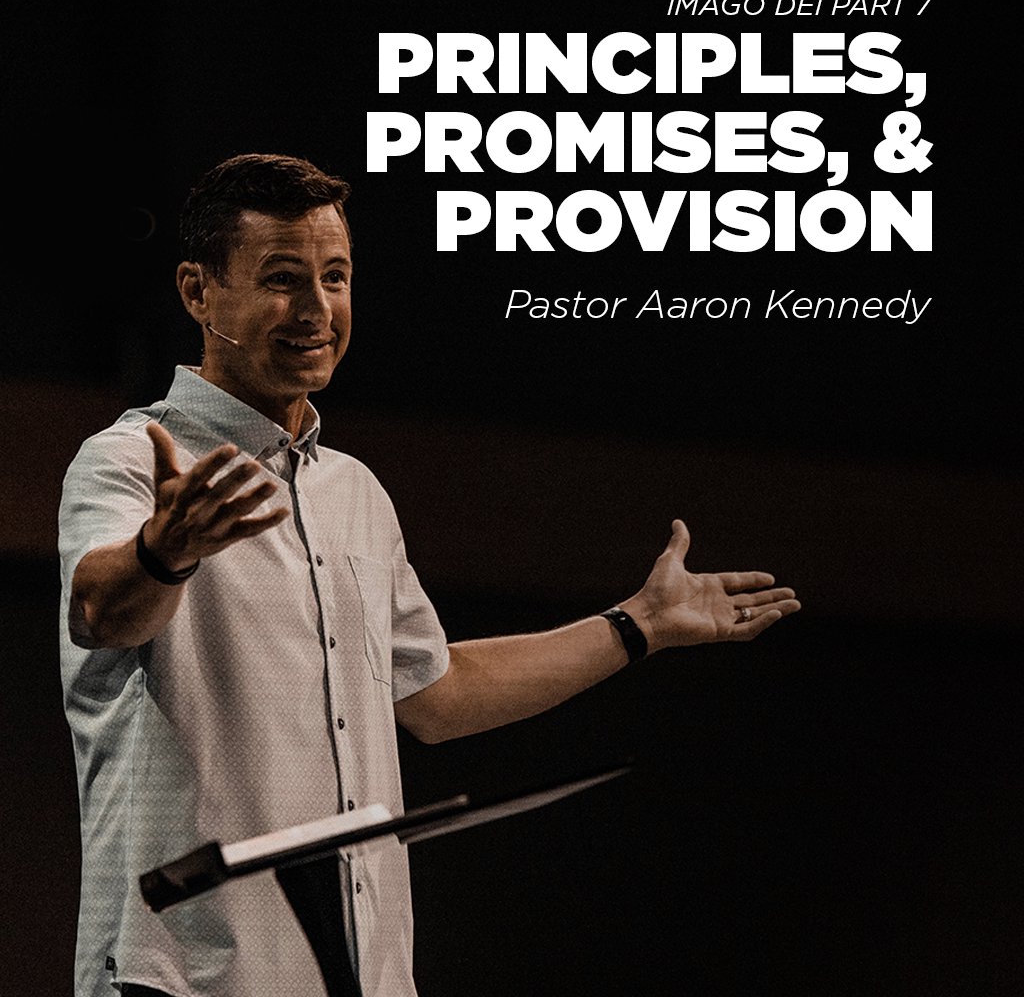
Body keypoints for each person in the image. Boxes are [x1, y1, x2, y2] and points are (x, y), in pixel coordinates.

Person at [58, 153, 800, 997]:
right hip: (188, 979)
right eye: (281, 279)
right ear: (198, 291)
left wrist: (638, 625)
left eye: (335, 278)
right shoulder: (127, 460)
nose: (316, 310)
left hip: (359, 978)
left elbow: (437, 695)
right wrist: (166, 552)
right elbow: (102, 612)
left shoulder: (355, 494)